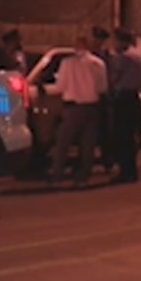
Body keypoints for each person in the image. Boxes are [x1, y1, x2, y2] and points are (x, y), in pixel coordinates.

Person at [49, 34, 109, 187]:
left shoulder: (67, 63)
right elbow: (103, 88)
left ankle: (57, 176)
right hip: (92, 107)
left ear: (76, 46)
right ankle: (83, 177)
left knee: (63, 143)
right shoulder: (98, 64)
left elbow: (60, 87)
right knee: (88, 144)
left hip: (72, 108)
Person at [108, 28, 141, 184]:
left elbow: (115, 77)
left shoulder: (123, 58)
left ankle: (125, 171)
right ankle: (132, 171)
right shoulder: (138, 57)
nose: (113, 44)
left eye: (115, 40)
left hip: (123, 97)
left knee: (122, 136)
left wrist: (111, 87)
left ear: (121, 41)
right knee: (131, 136)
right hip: (133, 97)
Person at [90, 26, 115, 174]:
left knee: (105, 131)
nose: (98, 42)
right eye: (96, 39)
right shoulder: (88, 56)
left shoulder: (107, 57)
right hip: (89, 98)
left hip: (104, 98)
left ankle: (108, 161)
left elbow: (110, 77)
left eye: (100, 39)